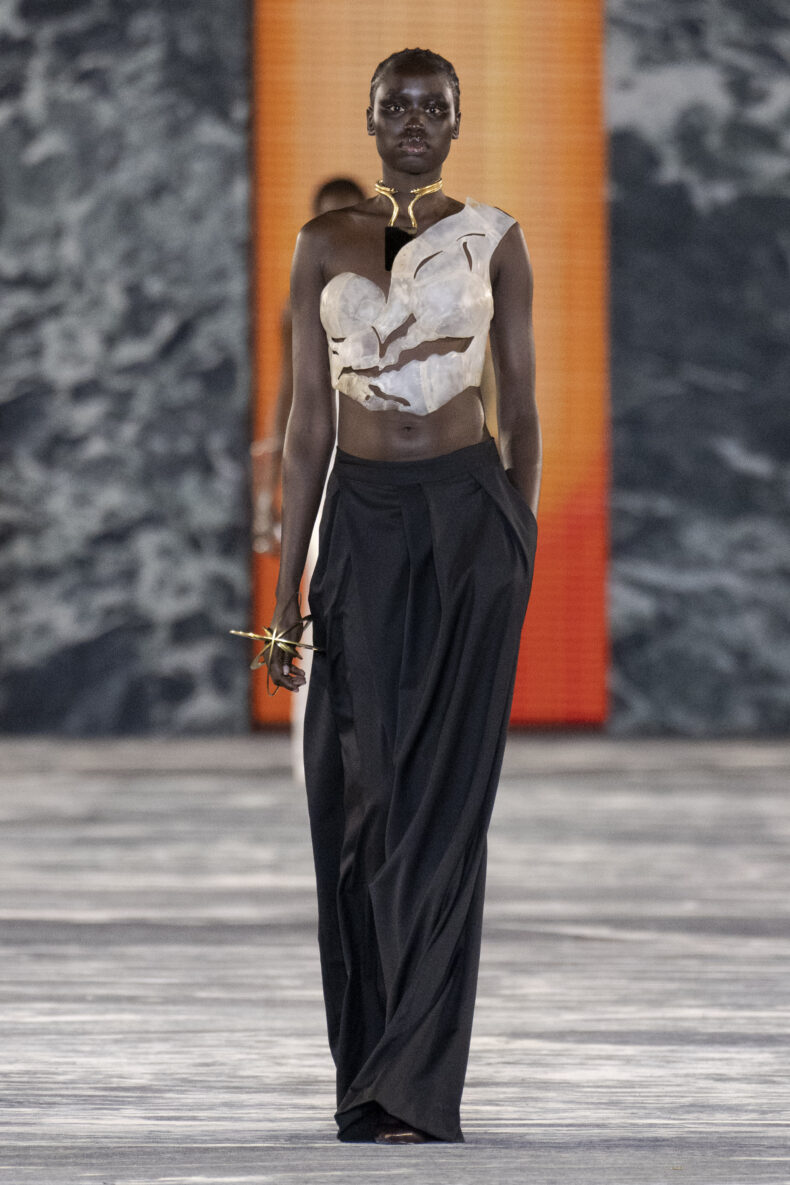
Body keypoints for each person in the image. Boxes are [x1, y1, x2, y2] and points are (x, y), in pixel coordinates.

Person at [264, 47, 541, 1145]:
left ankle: (417, 1089)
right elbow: (306, 424)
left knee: (445, 807)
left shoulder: (496, 238)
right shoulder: (321, 243)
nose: (415, 121)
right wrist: (285, 588)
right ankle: (368, 1072)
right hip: (363, 526)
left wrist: (518, 540)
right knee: (363, 797)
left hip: (469, 521)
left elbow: (521, 401)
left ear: (457, 122)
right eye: (397, 106)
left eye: (434, 107)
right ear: (371, 119)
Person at [251, 177, 364, 782]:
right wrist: (264, 496)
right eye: (325, 221)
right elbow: (286, 399)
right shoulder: (299, 304)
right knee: (318, 597)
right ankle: (313, 754)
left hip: (381, 458)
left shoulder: (397, 290)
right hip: (319, 462)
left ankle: (369, 749)